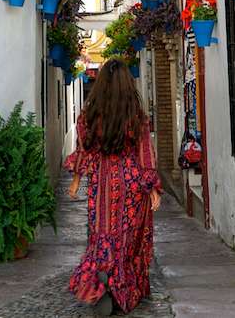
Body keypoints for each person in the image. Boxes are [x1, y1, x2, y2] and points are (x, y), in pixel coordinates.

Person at [66, 58, 162, 316]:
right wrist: (151, 187)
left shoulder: (88, 117)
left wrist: (76, 181)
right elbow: (145, 154)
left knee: (101, 236)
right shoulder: (136, 118)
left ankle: (102, 278)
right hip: (132, 185)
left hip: (101, 185)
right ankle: (123, 288)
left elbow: (84, 150)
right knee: (130, 239)